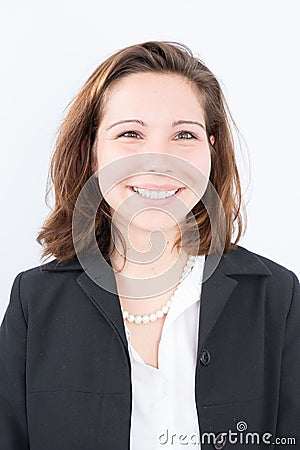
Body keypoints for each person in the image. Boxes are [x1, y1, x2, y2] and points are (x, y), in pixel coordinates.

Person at [0, 41, 299, 450]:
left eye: (183, 135)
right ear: (92, 152)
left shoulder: (276, 297)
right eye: (130, 133)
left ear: (212, 149)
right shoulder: (34, 301)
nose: (159, 159)